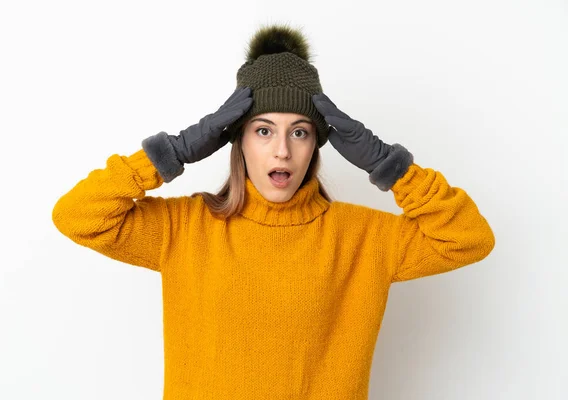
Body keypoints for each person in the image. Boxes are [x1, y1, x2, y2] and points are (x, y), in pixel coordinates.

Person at [52, 24, 495, 400]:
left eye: (299, 132)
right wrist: (173, 152)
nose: (282, 150)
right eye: (263, 130)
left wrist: (388, 165)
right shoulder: (184, 229)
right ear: (236, 140)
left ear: (316, 145)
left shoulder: (364, 238)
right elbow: (78, 215)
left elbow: (470, 238)